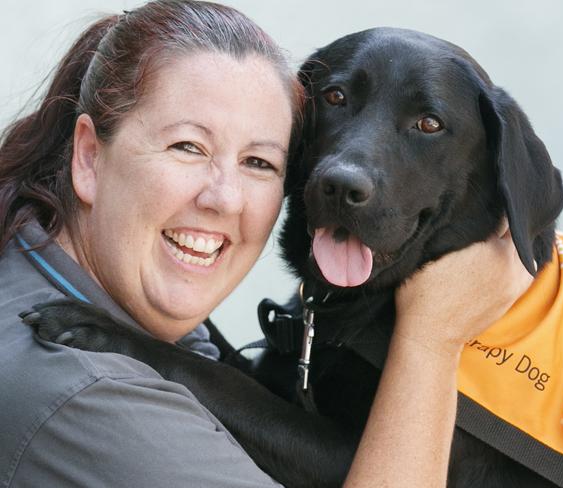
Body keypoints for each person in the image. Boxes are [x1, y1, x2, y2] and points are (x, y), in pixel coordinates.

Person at [0, 1, 532, 486]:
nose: (224, 197)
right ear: (89, 156)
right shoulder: (91, 399)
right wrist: (430, 341)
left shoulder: (34, 258)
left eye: (259, 162)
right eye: (187, 146)